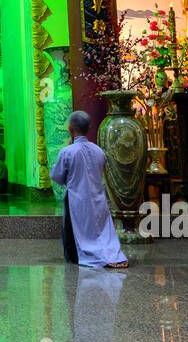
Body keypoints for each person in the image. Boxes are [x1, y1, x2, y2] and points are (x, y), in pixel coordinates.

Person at [50, 111, 129, 269]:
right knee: (102, 229)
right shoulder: (98, 151)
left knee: (77, 230)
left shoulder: (67, 152)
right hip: (98, 196)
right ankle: (111, 255)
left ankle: (78, 256)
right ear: (88, 128)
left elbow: (57, 176)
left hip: (76, 198)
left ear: (71, 129)